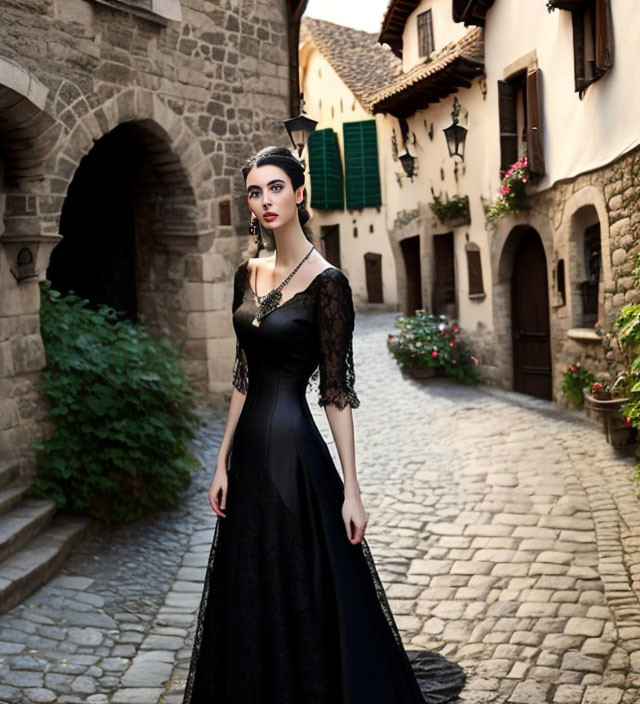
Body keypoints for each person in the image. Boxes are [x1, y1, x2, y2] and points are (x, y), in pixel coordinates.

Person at [182, 146, 427, 703]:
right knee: (247, 584)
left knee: (298, 585)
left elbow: (336, 393)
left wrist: (352, 490)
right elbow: (244, 373)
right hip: (246, 456)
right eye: (254, 191)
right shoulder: (246, 274)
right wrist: (220, 461)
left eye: (274, 188)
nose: (264, 200)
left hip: (296, 456)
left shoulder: (329, 284)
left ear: (299, 194)